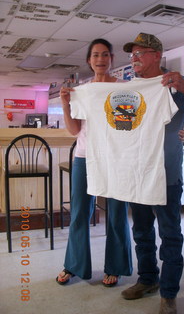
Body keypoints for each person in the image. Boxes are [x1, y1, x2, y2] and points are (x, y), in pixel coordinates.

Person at [121, 33, 184, 314]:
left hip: (167, 176)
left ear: (157, 55)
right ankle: (147, 280)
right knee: (141, 232)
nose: (134, 59)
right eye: (132, 55)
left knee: (170, 234)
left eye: (140, 53)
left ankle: (169, 293)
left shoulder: (176, 86)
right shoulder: (131, 89)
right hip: (137, 176)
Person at [56, 38, 132, 287]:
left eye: (105, 55)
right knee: (79, 214)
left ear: (112, 59)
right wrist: (66, 105)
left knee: (117, 214)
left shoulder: (124, 88)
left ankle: (116, 267)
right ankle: (73, 265)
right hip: (84, 157)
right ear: (89, 60)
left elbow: (129, 125)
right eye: (96, 55)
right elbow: (74, 130)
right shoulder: (83, 91)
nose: (101, 60)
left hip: (115, 159)